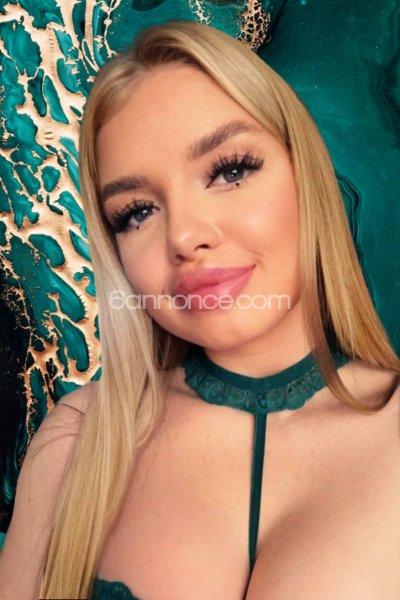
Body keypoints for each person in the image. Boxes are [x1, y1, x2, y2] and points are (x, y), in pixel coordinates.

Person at [1, 20, 400, 600]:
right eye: (137, 212)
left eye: (229, 171)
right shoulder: (76, 441)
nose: (185, 237)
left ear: (305, 174)